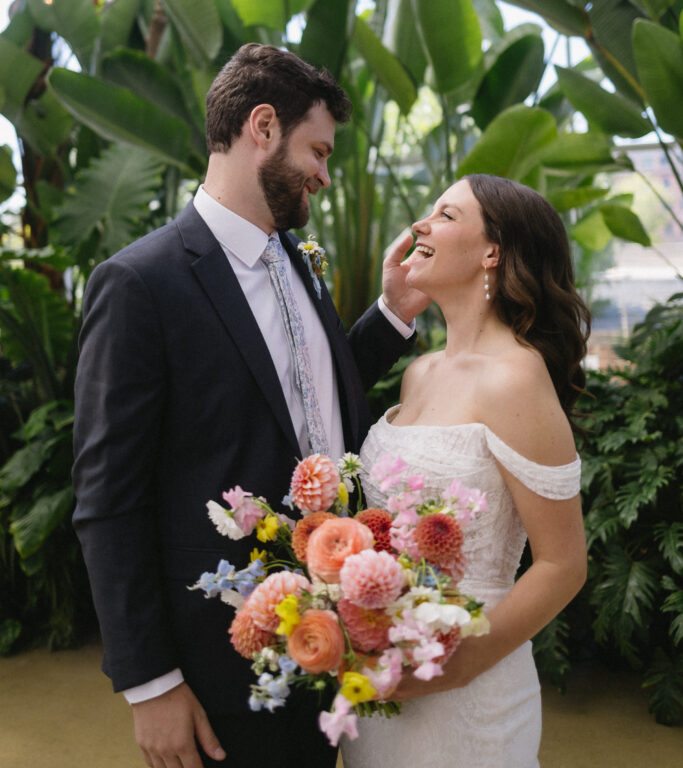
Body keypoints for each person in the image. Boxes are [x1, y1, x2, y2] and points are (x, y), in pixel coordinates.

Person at [72, 44, 426, 768]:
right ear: (261, 126)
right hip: (221, 663)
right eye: (317, 151)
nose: (324, 176)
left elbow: (310, 402)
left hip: (325, 637)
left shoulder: (298, 260)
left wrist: (391, 314)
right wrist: (149, 682)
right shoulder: (140, 283)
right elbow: (108, 498)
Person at [341, 174, 590, 768]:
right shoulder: (418, 373)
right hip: (381, 684)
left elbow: (563, 565)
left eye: (446, 215)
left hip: (468, 696)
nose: (420, 226)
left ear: (492, 252)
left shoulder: (516, 379)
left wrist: (452, 670)